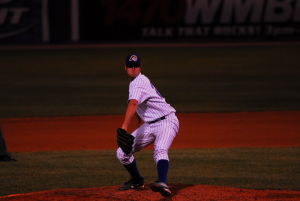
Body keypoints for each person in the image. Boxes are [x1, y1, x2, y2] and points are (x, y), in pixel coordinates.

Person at [116, 54, 179, 197]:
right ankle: (137, 180)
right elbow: (140, 103)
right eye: (130, 66)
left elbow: (133, 103)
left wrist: (124, 126)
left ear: (140, 67)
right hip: (151, 124)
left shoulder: (138, 82)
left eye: (136, 66)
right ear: (125, 68)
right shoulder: (138, 81)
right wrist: (139, 118)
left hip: (167, 121)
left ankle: (162, 182)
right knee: (121, 153)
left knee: (160, 150)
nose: (133, 69)